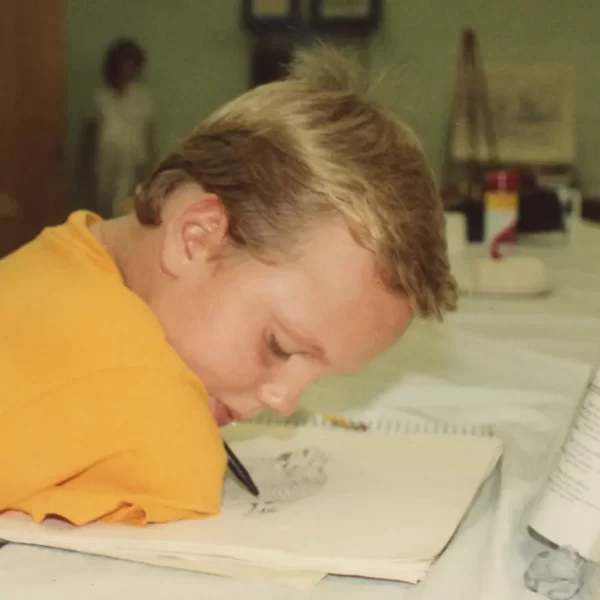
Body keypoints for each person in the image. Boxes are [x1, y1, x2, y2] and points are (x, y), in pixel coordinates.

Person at [0, 44, 457, 527]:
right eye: (279, 346)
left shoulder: (65, 255)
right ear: (196, 237)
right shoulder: (150, 410)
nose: (284, 402)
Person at [80, 38, 156, 218]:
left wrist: (153, 169)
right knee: (105, 211)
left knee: (127, 210)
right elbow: (89, 137)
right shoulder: (100, 97)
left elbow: (149, 133)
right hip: (105, 163)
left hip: (134, 163)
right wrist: (84, 172)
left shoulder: (142, 97)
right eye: (123, 63)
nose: (127, 69)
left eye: (132, 64)